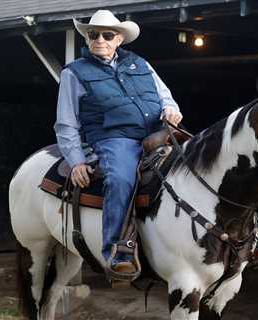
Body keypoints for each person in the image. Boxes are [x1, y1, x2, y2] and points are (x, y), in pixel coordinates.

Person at [54, 10, 182, 277]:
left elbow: (165, 97)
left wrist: (171, 110)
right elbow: (66, 123)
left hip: (157, 133)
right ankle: (116, 251)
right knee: (121, 179)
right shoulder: (74, 72)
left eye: (107, 34)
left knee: (196, 161)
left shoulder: (141, 64)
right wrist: (76, 160)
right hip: (114, 139)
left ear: (119, 39)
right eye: (93, 34)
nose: (99, 39)